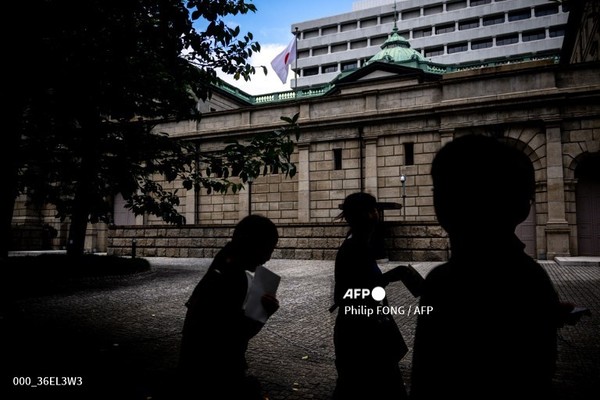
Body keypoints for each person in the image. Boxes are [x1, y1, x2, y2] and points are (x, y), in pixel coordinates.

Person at [410, 134, 568, 400]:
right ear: (523, 207)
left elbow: (425, 383)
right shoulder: (530, 278)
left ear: (441, 205)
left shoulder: (443, 282)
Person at [177, 214, 280, 400]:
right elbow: (234, 335)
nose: (267, 258)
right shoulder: (234, 278)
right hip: (214, 375)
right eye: (267, 250)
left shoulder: (224, 261)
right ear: (252, 245)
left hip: (195, 366)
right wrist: (263, 312)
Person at [331, 192, 422, 400]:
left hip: (369, 335)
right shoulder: (353, 248)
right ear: (364, 215)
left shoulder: (360, 245)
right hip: (362, 339)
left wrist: (389, 276)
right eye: (373, 210)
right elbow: (345, 294)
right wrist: (385, 279)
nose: (376, 215)